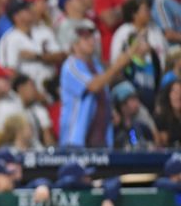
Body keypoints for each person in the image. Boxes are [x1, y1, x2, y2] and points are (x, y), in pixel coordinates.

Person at [59, 19, 149, 147]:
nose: (92, 41)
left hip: (101, 140)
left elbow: (105, 87)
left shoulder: (97, 66)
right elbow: (94, 86)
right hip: (75, 141)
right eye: (86, 39)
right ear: (74, 44)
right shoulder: (70, 66)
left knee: (133, 134)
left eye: (91, 37)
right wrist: (126, 56)